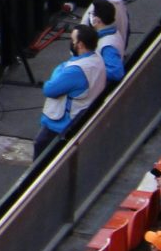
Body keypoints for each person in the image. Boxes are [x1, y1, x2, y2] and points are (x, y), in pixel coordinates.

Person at [35, 22, 108, 155]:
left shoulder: (74, 71)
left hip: (60, 124)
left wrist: (59, 71)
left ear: (79, 45)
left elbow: (49, 89)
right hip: (79, 116)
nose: (70, 43)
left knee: (41, 150)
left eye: (72, 40)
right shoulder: (97, 59)